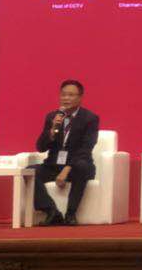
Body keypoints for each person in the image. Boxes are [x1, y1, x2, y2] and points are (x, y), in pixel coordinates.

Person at [32, 79, 99, 225]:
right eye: (63, 95)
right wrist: (52, 131)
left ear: (80, 97)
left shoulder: (90, 118)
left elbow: (86, 148)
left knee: (81, 167)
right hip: (54, 165)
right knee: (29, 172)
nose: (66, 98)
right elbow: (40, 147)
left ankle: (71, 214)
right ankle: (51, 211)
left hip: (78, 165)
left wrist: (66, 169)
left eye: (71, 95)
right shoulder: (52, 117)